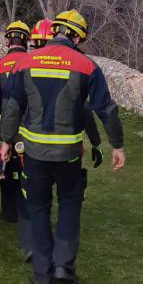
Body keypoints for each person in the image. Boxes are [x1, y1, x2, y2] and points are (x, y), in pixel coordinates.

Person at [0, 10, 125, 284]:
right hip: (68, 154)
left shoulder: (26, 62)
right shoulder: (86, 65)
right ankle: (63, 266)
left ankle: (42, 277)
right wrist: (116, 145)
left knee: (38, 209)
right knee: (69, 206)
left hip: (33, 154)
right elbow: (105, 109)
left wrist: (6, 141)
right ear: (77, 36)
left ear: (55, 30)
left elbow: (13, 107)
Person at [29, 18, 104, 197]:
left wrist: (6, 139)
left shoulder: (25, 66)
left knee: (36, 198)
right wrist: (96, 142)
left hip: (33, 146)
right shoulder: (73, 65)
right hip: (65, 146)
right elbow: (84, 108)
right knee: (67, 195)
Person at [0, 20, 33, 257]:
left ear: (7, 40)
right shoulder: (33, 63)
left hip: (7, 128)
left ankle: (8, 211)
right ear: (27, 40)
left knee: (7, 169)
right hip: (31, 129)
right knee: (28, 173)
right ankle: (27, 212)